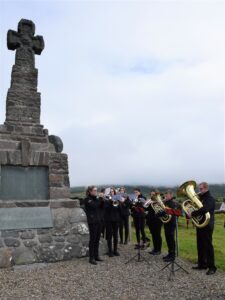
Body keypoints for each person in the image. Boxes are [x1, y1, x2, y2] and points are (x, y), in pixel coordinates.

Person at [191, 182, 217, 275]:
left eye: (201, 189)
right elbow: (197, 209)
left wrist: (193, 213)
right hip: (200, 224)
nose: (199, 191)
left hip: (208, 224)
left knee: (208, 246)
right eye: (199, 189)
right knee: (200, 244)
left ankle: (212, 267)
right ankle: (202, 264)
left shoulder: (209, 198)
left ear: (206, 188)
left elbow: (205, 209)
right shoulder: (201, 198)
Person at [84, 186, 104, 265]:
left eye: (96, 190)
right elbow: (94, 206)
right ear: (90, 191)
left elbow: (102, 207)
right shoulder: (87, 200)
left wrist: (102, 200)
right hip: (92, 222)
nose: (96, 192)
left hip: (99, 221)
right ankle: (91, 258)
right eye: (94, 190)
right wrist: (100, 199)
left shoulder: (96, 199)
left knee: (97, 239)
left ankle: (96, 256)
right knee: (92, 239)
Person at [104, 187, 121, 257]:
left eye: (113, 192)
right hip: (109, 220)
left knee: (115, 236)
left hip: (116, 220)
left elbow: (119, 209)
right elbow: (106, 208)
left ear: (114, 193)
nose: (112, 193)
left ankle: (115, 250)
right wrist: (110, 201)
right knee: (109, 236)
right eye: (110, 192)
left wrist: (119, 203)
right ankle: (110, 251)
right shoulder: (106, 200)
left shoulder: (117, 200)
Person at [161, 190, 176, 262]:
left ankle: (172, 255)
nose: (165, 197)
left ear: (171, 196)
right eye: (165, 196)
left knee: (171, 239)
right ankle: (169, 254)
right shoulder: (165, 203)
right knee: (167, 239)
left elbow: (173, 212)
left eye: (167, 196)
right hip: (166, 222)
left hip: (171, 223)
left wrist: (163, 212)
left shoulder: (173, 203)